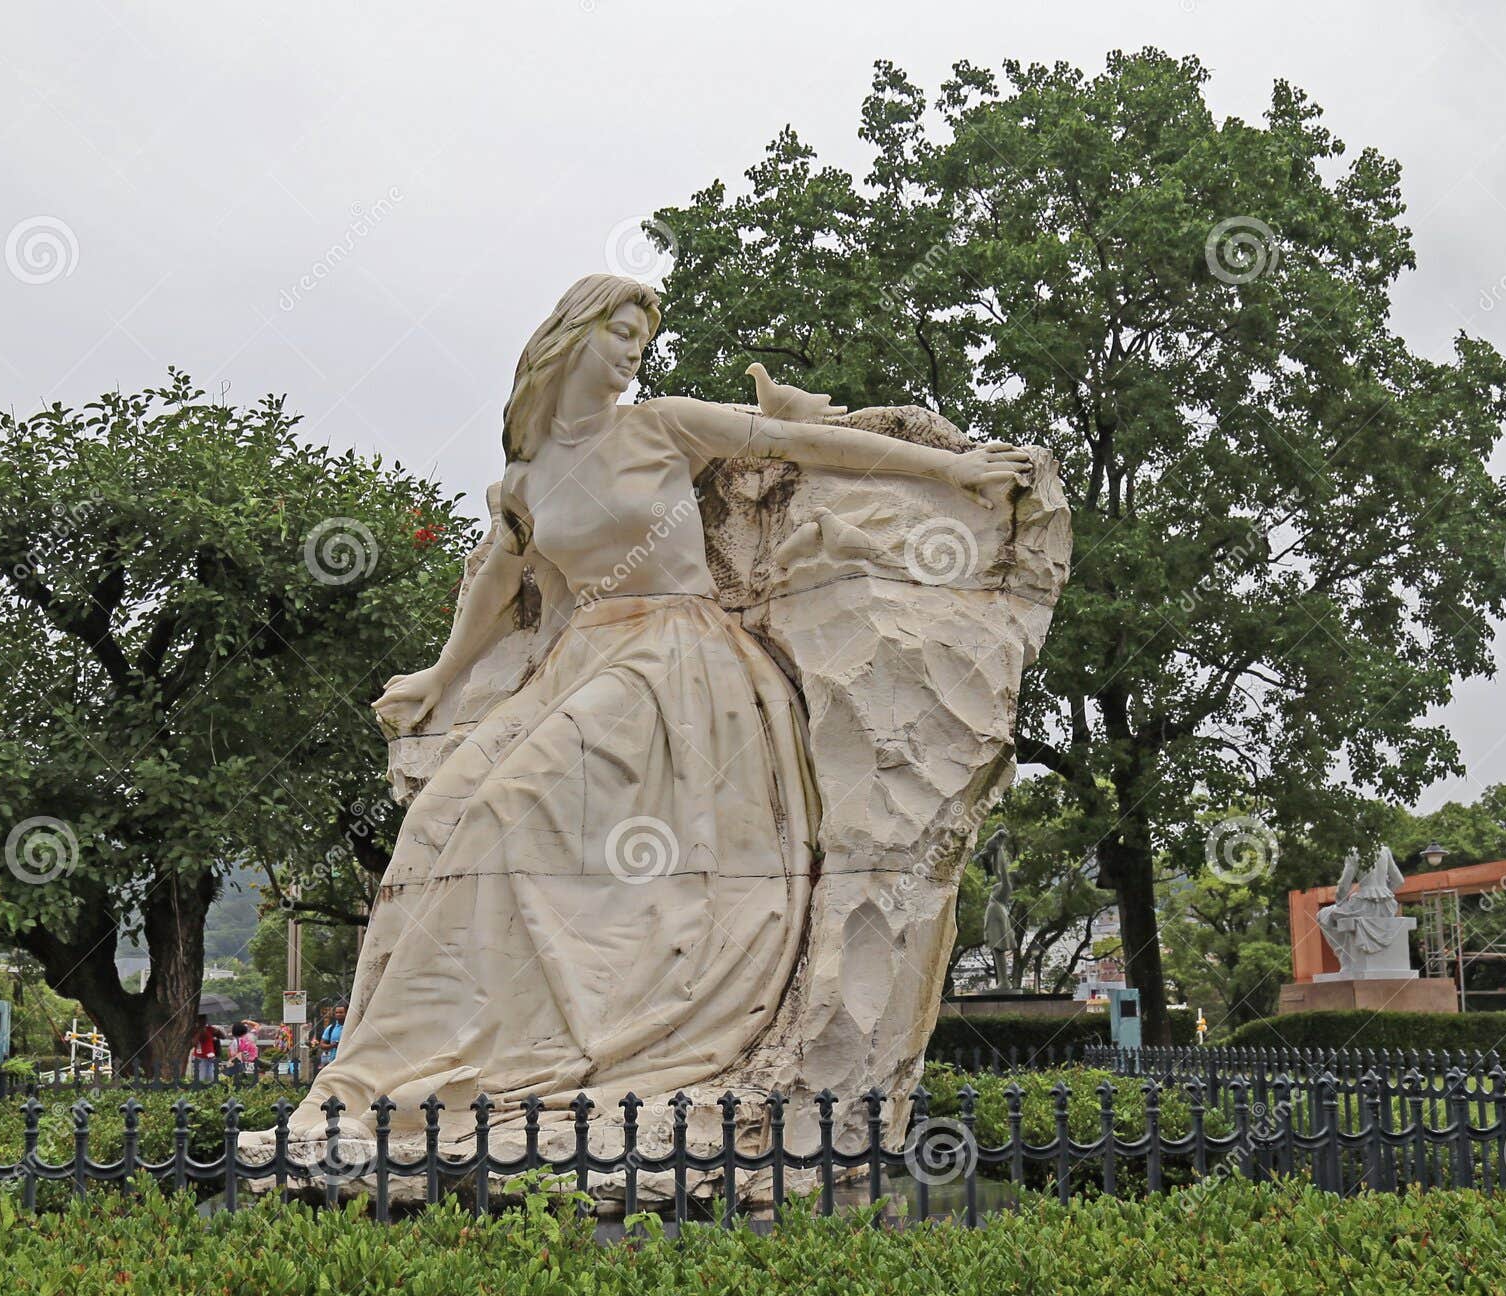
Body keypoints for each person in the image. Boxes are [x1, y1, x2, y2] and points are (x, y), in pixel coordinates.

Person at [279, 272, 1031, 1135]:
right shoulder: (528, 477)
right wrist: (440, 678)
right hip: (578, 661)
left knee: (509, 811)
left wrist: (956, 469)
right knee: (437, 821)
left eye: (643, 334)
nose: (635, 348)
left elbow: (803, 445)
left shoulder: (663, 424)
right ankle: (395, 1067)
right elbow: (500, 577)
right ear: (569, 339)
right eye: (620, 329)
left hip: (678, 667)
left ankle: (484, 1065)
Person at [190, 1015, 221, 1084]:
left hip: (211, 1056)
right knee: (201, 1079)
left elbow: (222, 1036)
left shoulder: (210, 1028)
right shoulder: (195, 1030)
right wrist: (199, 1032)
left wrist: (218, 1031)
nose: (204, 1021)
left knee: (212, 1079)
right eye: (202, 1019)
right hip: (200, 1057)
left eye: (205, 1019)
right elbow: (194, 1043)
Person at [313, 1005, 345, 1069]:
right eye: (337, 1012)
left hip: (348, 1062)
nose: (338, 1014)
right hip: (333, 1062)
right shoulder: (331, 1028)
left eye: (341, 1012)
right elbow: (322, 1045)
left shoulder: (353, 1027)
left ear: (346, 1013)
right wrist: (332, 1045)